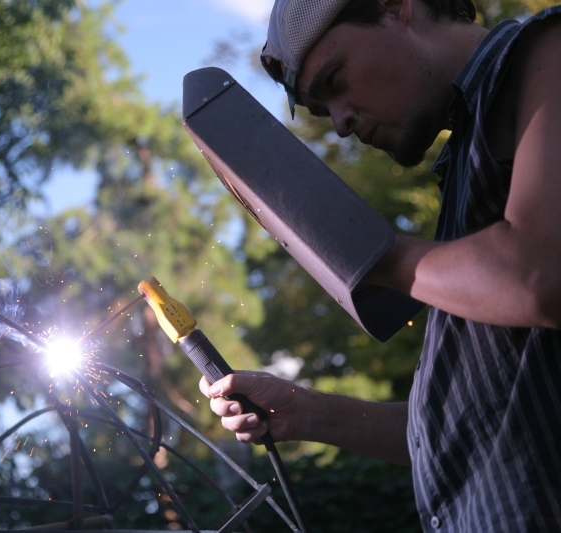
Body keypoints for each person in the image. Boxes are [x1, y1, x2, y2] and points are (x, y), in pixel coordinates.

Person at [200, 0, 561, 530]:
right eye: (323, 111)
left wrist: (371, 255)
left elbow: (541, 275)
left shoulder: (545, 50)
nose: (342, 122)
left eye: (335, 79)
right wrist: (307, 412)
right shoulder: (467, 169)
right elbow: (467, 430)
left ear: (398, 7)